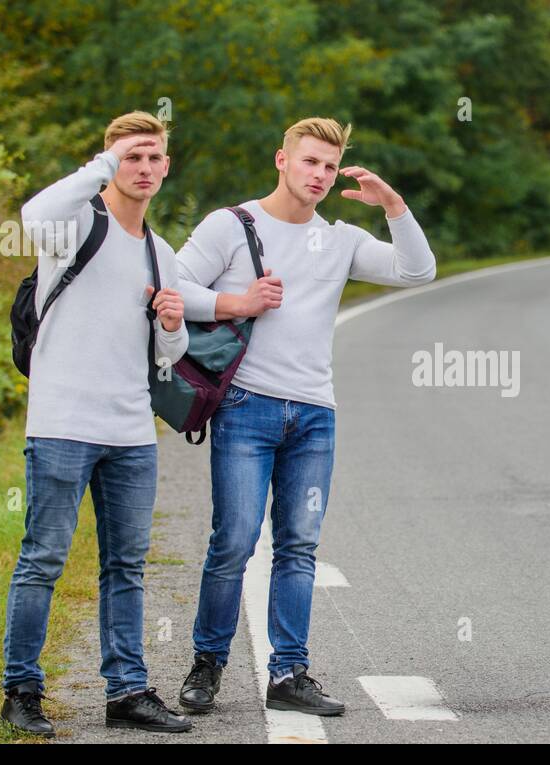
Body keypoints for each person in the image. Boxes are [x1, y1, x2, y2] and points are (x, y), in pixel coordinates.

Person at [174, 117, 435, 716]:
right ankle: (207, 665)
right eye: (308, 161)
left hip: (315, 415)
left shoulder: (340, 239)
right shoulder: (231, 225)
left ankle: (289, 673)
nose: (318, 174)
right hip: (246, 409)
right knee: (234, 541)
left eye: (329, 165)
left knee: (299, 546)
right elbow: (169, 287)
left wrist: (392, 205)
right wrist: (236, 302)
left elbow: (419, 272)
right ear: (281, 161)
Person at [0, 111, 192, 737]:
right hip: (61, 424)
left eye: (154, 158)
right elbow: (34, 213)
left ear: (167, 166)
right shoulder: (77, 224)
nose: (144, 168)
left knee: (126, 567)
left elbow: (169, 354)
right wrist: (102, 164)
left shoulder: (159, 252)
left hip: (132, 432)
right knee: (43, 560)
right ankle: (21, 692)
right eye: (132, 156)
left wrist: (170, 324)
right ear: (110, 161)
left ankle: (127, 691)